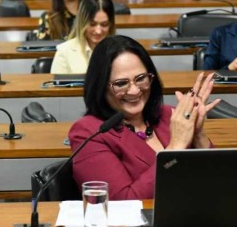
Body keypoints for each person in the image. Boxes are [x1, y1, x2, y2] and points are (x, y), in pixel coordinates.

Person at [69, 35, 219, 200]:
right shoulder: (89, 132)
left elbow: (219, 181)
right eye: (121, 83)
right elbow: (121, 204)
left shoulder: (170, 115)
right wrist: (175, 147)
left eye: (141, 79)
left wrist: (198, 135)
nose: (134, 91)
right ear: (100, 86)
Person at [50, 0, 116, 74]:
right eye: (92, 24)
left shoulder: (120, 52)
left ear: (111, 24)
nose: (98, 31)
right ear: (82, 22)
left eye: (104, 24)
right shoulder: (64, 52)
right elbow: (57, 87)